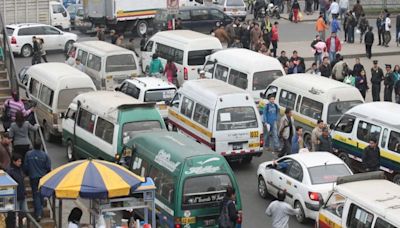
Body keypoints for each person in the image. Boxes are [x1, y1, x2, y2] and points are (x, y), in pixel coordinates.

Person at [24, 141, 51, 222]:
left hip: (33, 177)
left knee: (36, 195)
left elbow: (25, 166)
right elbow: (48, 167)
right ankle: (40, 209)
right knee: (41, 194)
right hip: (42, 178)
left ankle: (38, 214)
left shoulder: (28, 154)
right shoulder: (45, 155)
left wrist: (27, 173)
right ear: (40, 146)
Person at [5, 154, 26, 228]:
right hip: (15, 196)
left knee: (24, 212)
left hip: (22, 194)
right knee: (15, 214)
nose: (20, 163)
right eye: (18, 161)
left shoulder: (20, 169)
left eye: (20, 161)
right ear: (14, 161)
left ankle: (21, 226)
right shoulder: (10, 171)